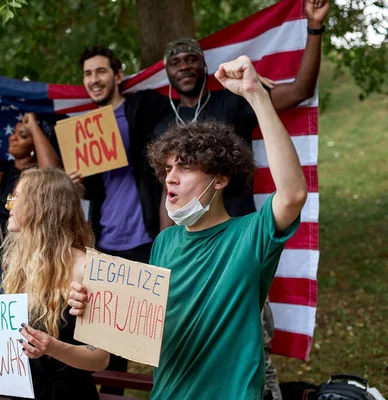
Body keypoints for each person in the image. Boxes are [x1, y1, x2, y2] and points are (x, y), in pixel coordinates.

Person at [69, 55, 308, 399]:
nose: (171, 178)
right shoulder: (164, 242)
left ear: (221, 178)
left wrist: (256, 95)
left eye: (185, 168)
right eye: (167, 169)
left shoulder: (251, 234)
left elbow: (293, 193)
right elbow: (147, 331)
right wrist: (96, 307)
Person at [0, 168, 109, 400]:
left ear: (42, 206)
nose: (8, 205)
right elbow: (11, 345)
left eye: (16, 198)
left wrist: (52, 347)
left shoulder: (86, 268)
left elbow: (100, 358)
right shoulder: (19, 264)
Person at [156, 0, 328, 219]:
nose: (184, 66)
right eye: (175, 62)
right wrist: (163, 245)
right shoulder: (163, 125)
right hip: (189, 237)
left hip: (238, 229)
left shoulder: (234, 100)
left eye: (192, 59)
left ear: (204, 66)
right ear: (168, 73)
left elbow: (300, 91)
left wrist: (314, 26)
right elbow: (166, 190)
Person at [70, 45, 172, 392]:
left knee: (160, 330)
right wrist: (77, 184)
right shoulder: (85, 130)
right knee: (109, 337)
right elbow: (94, 192)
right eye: (87, 74)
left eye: (100, 71)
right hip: (106, 243)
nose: (94, 79)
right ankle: (111, 396)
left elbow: (172, 134)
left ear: (117, 76)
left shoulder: (144, 107)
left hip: (146, 240)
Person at [0, 114, 60, 264]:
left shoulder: (38, 178)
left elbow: (53, 172)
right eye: (14, 133)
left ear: (35, 144)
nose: (13, 138)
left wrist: (33, 125)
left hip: (24, 261)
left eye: (22, 135)